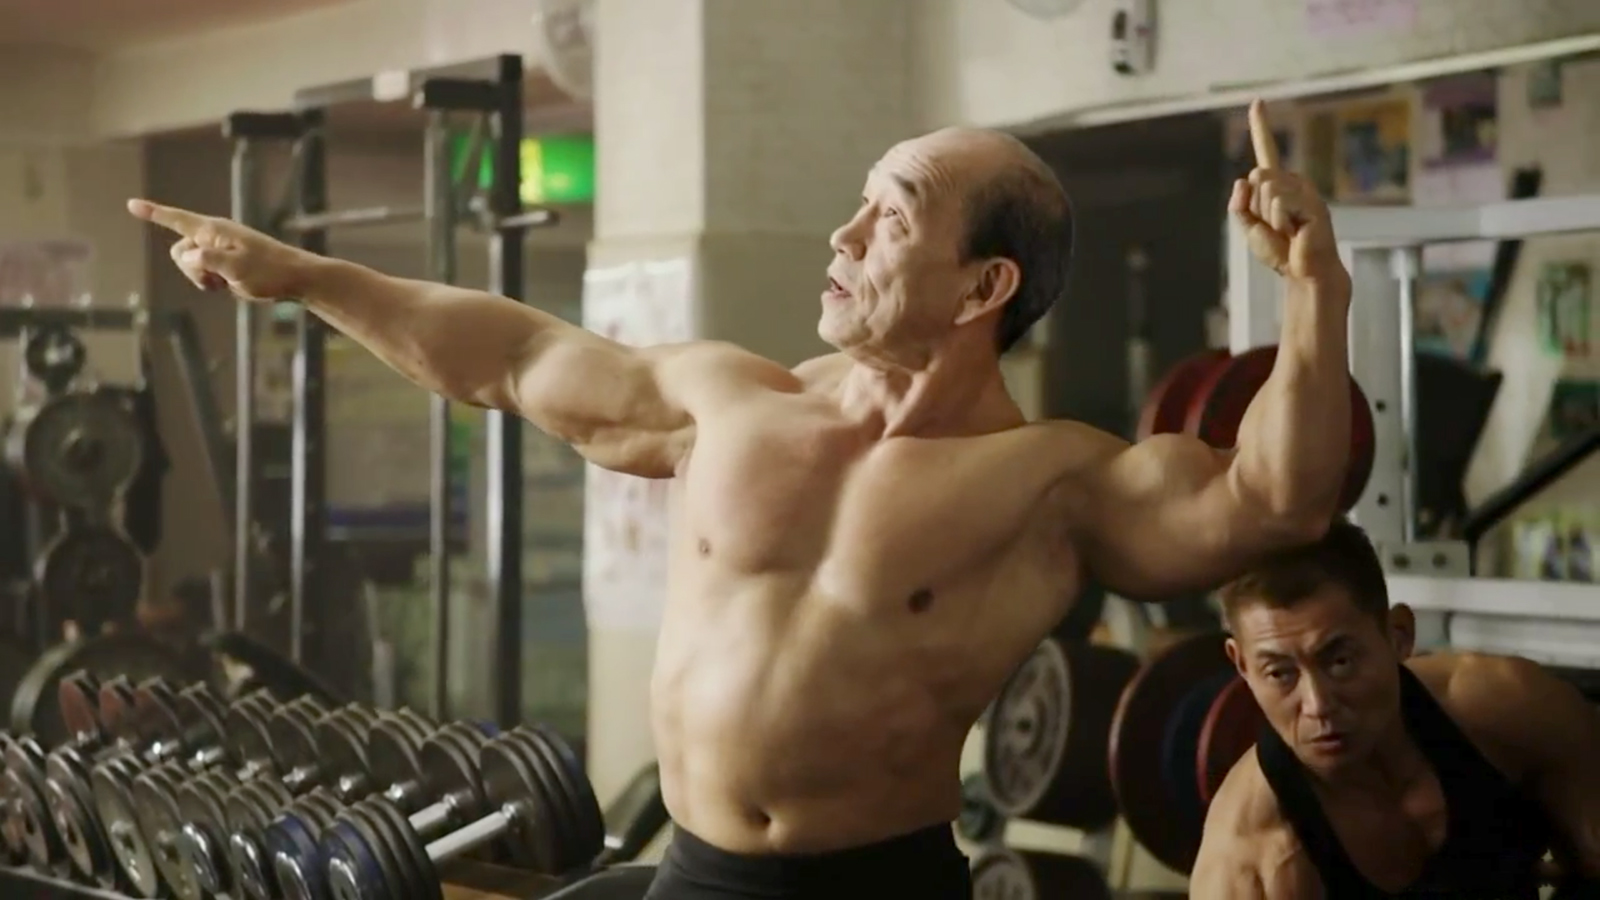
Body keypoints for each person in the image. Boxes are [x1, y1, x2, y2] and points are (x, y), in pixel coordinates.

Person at [132, 101, 1353, 899]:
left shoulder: (1056, 483)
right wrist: (300, 275)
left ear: (984, 287)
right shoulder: (731, 402)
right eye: (859, 201)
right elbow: (510, 356)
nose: (844, 233)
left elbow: (1275, 501)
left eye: (891, 216)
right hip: (699, 876)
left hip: (880, 886)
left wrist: (1313, 291)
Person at [1190, 519, 1600, 899]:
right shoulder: (1248, 865)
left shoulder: (1510, 707)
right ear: (1242, 666)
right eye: (1280, 673)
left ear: (1397, 635)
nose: (1318, 705)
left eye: (1340, 662)